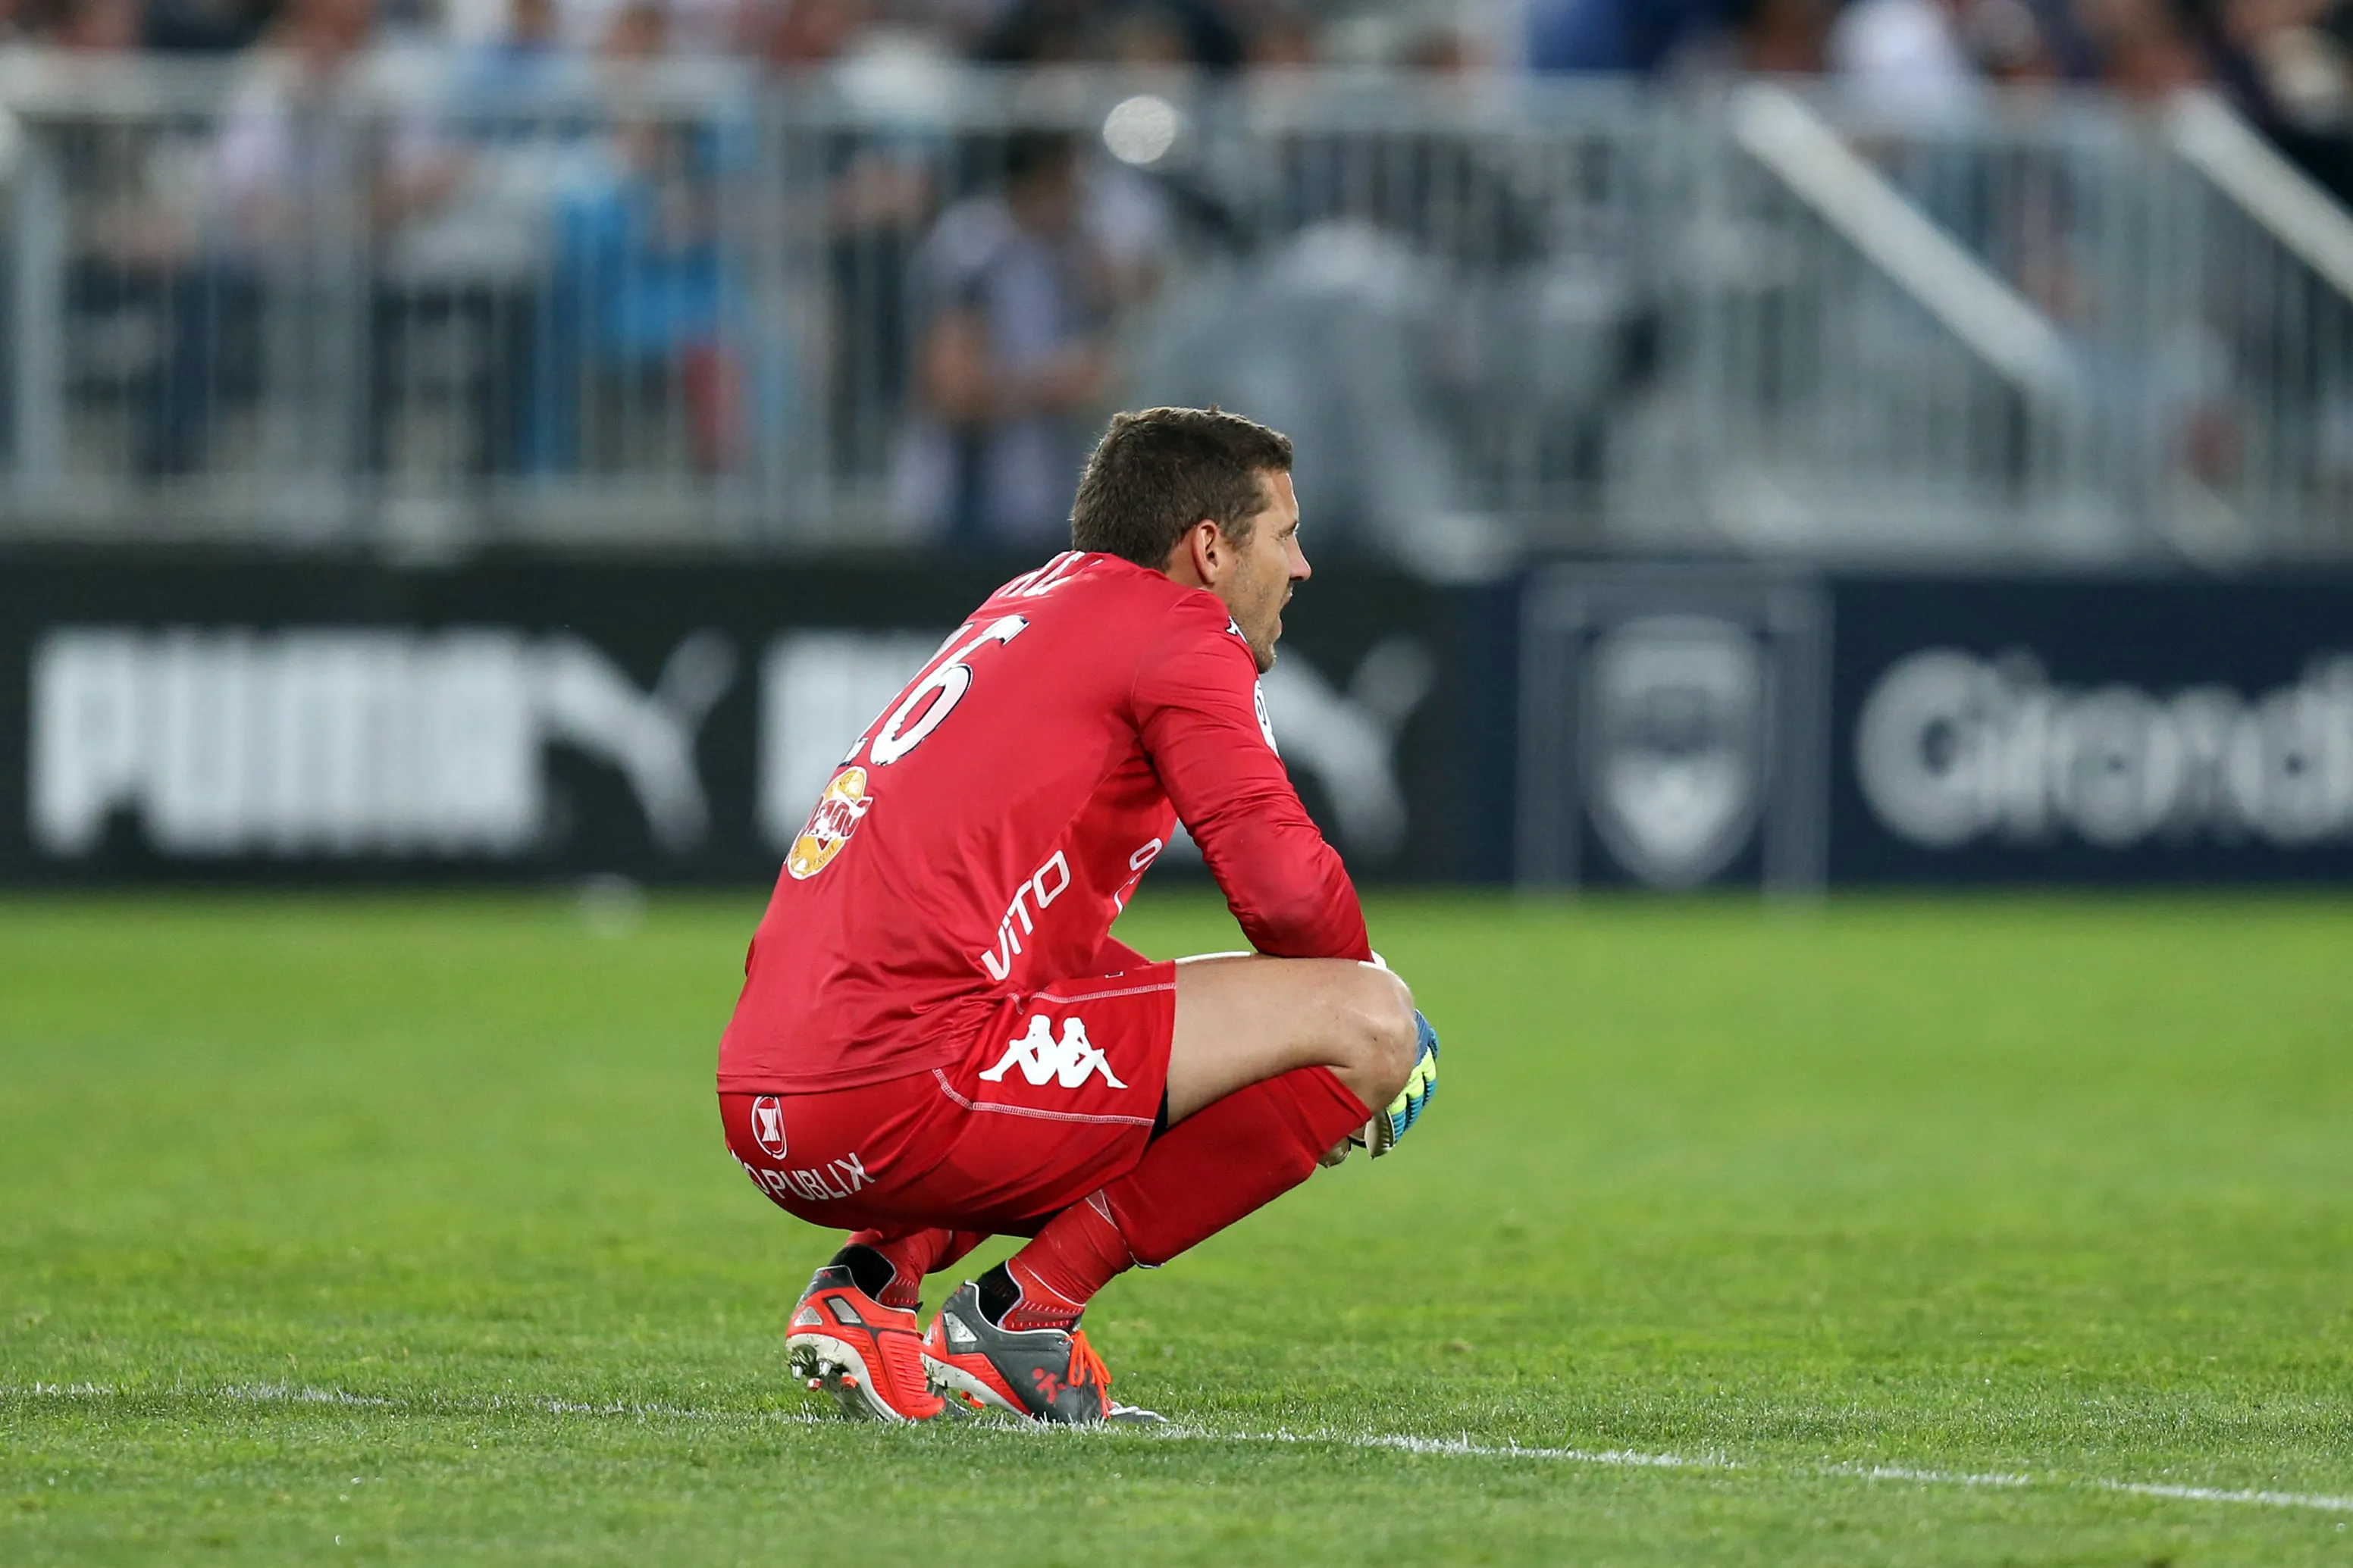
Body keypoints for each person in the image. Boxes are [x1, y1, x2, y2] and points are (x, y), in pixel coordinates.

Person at [716, 406, 1442, 1425]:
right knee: (1372, 1024)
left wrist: (1265, 1054)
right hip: (896, 1086)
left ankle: (871, 1288)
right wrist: (1346, 1041)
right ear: (1209, 548)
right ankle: (1022, 1318)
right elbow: (1282, 891)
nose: (1304, 565)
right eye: (1283, 535)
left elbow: (1049, 956)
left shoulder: (1031, 603)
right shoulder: (1180, 629)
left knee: (1159, 1014)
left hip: (770, 1104)